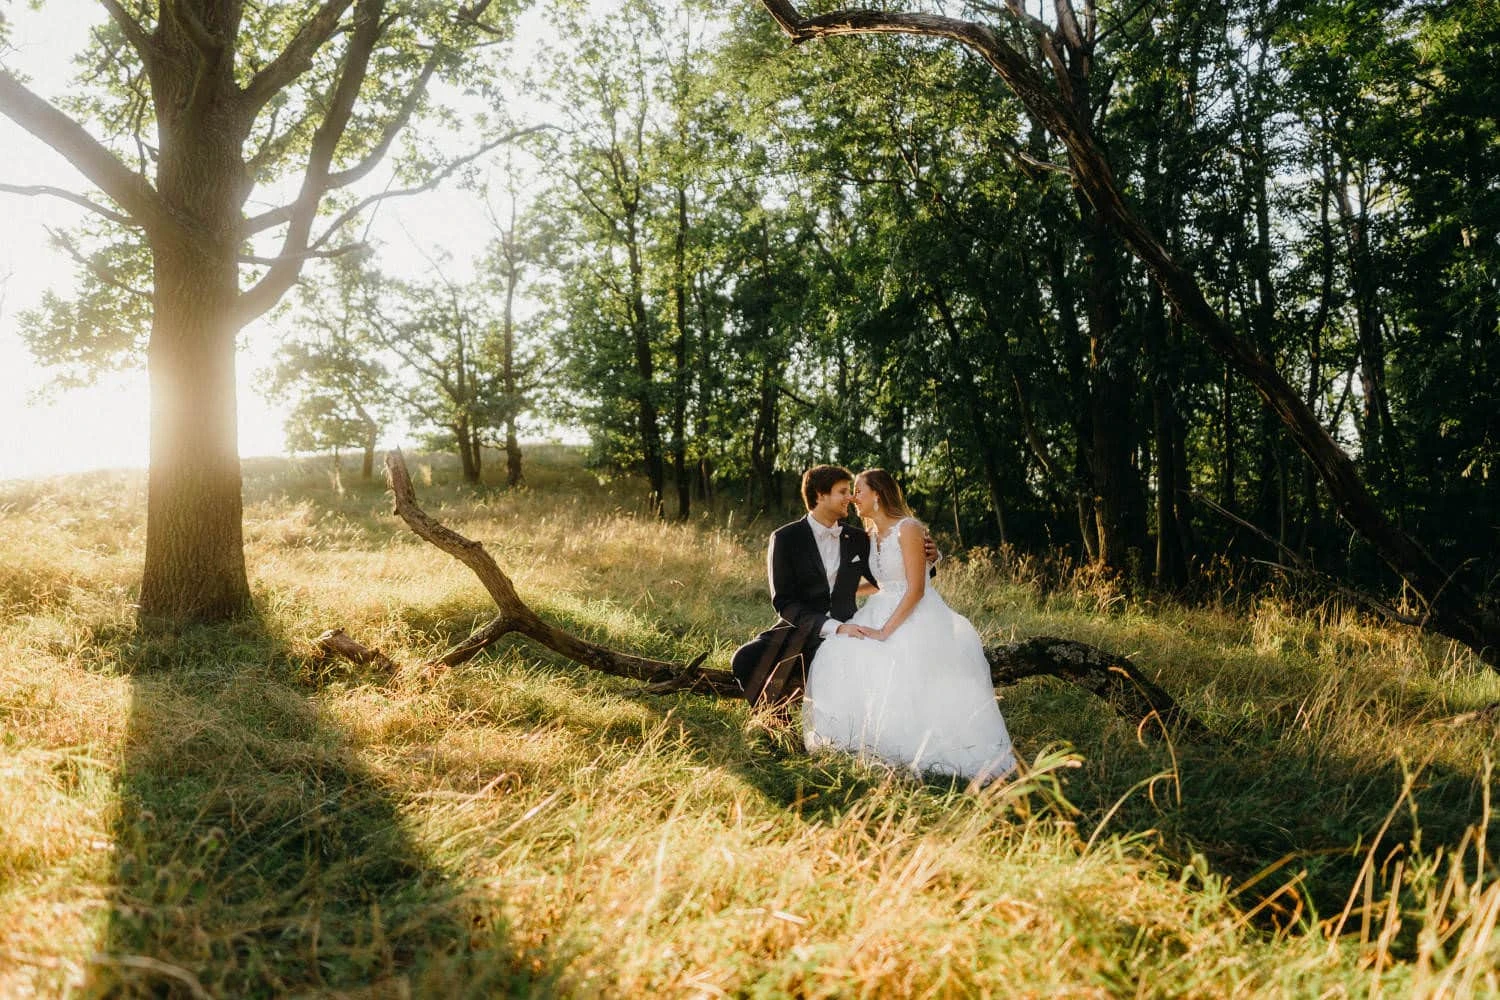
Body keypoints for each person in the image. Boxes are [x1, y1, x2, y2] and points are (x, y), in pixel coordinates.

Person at [802, 468, 1015, 783]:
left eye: (858, 490)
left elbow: (916, 589)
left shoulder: (909, 528)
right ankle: (857, 738)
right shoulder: (870, 536)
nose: (854, 498)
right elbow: (880, 583)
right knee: (837, 650)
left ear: (877, 494)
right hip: (879, 609)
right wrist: (835, 590)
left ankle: (920, 747)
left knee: (898, 664)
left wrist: (885, 632)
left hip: (916, 613)